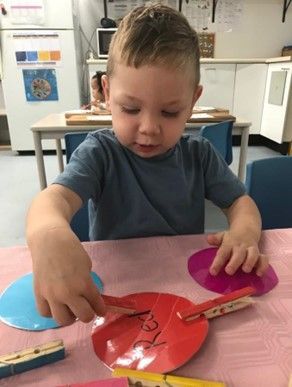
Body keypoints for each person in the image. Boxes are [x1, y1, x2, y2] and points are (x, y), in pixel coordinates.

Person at [26, 3, 268, 327]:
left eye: (169, 113)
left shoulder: (199, 154)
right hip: (117, 297)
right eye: (130, 109)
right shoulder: (100, 153)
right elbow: (52, 200)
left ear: (192, 102)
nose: (149, 128)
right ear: (108, 93)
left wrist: (244, 232)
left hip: (185, 293)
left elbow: (241, 203)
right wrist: (47, 234)